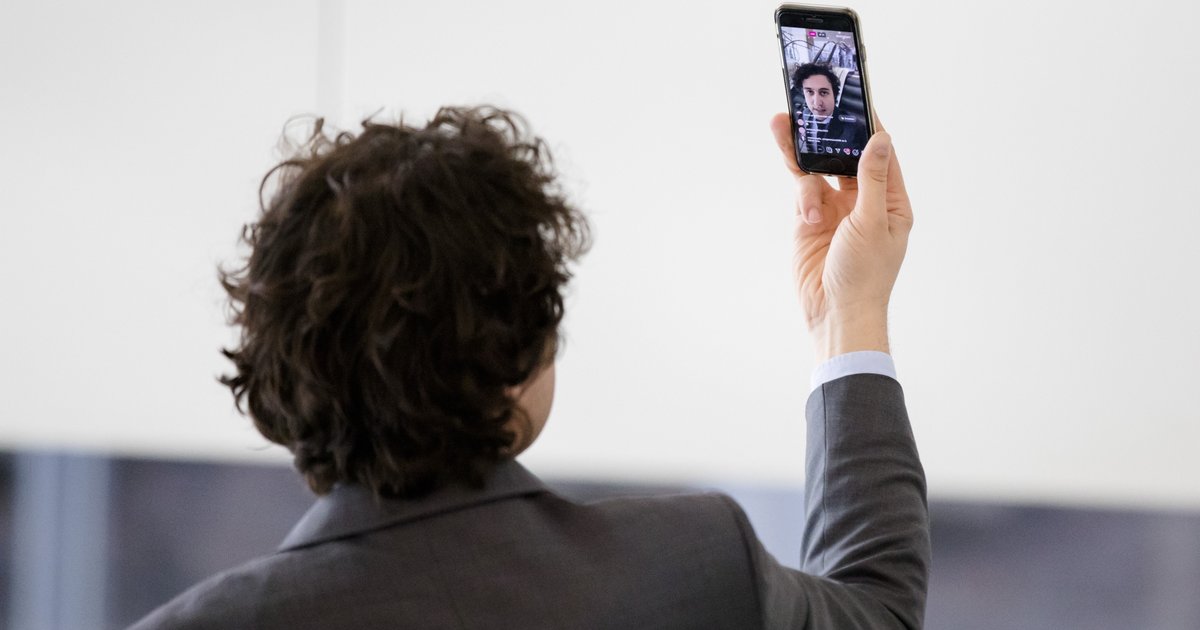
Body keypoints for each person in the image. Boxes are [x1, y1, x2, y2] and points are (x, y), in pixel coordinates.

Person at [128, 105, 926, 629]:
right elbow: (879, 612)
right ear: (526, 349)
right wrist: (845, 316)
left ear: (277, 379)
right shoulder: (689, 567)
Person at [792, 62, 869, 154]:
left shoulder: (856, 128)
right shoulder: (803, 115)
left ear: (834, 94)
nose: (817, 103)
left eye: (823, 92)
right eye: (810, 92)